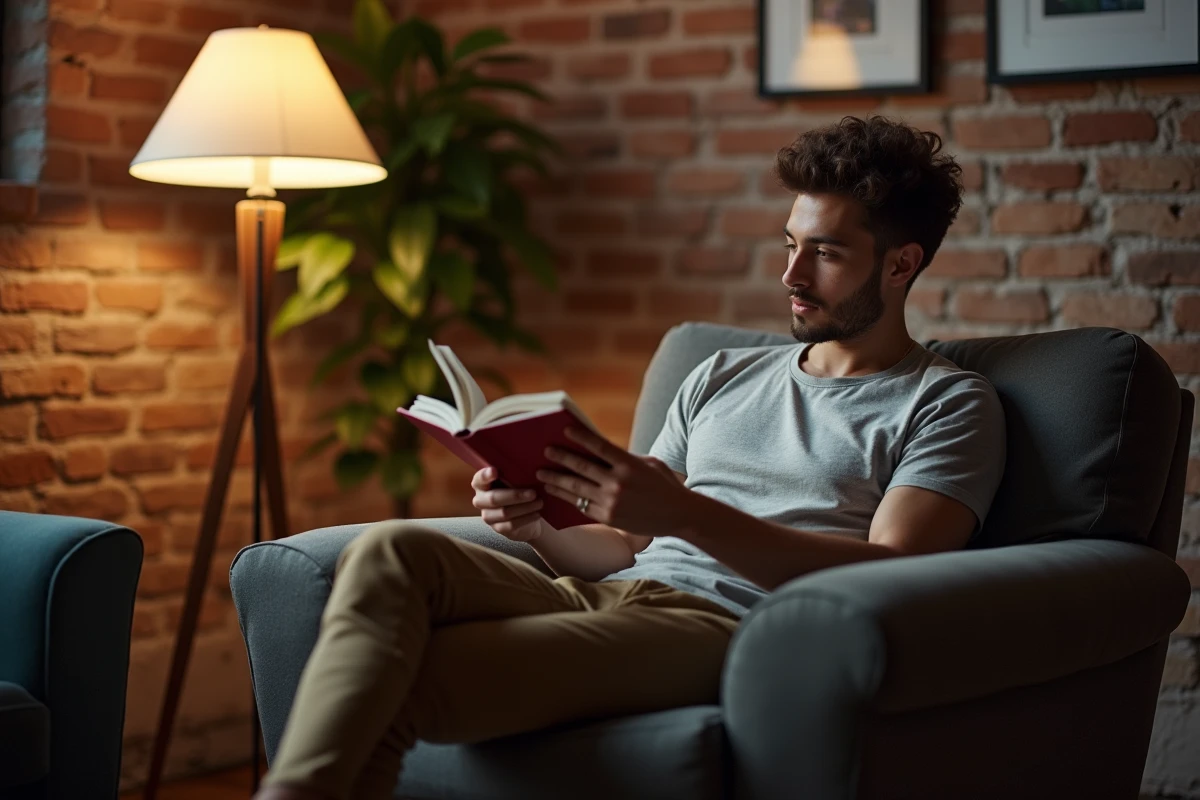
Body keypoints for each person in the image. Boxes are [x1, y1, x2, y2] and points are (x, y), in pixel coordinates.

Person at [255, 115, 1007, 800]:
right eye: (789, 245)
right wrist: (536, 526)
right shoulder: (722, 374)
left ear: (902, 264)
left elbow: (897, 573)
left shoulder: (946, 404)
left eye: (827, 253)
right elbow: (620, 549)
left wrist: (686, 513)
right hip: (621, 597)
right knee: (391, 552)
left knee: (391, 679)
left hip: (727, 629)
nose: (791, 276)